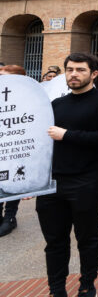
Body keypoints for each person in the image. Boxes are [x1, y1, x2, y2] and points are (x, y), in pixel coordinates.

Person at [36, 53, 98, 297]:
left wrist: (68, 135)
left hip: (86, 180)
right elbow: (42, 144)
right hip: (52, 183)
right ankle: (56, 288)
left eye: (80, 70)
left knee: (88, 237)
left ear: (94, 74)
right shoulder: (56, 105)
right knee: (54, 241)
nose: (73, 74)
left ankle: (87, 285)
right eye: (70, 69)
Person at [0, 64, 27, 237]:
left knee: (13, 181)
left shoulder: (26, 98)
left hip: (16, 147)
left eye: (4, 76)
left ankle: (10, 217)